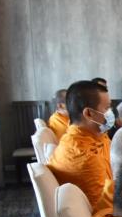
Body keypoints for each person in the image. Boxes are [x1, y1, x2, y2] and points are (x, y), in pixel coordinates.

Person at [47, 80, 113, 208]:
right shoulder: (85, 155)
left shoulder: (89, 137)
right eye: (107, 108)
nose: (111, 113)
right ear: (89, 113)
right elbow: (103, 207)